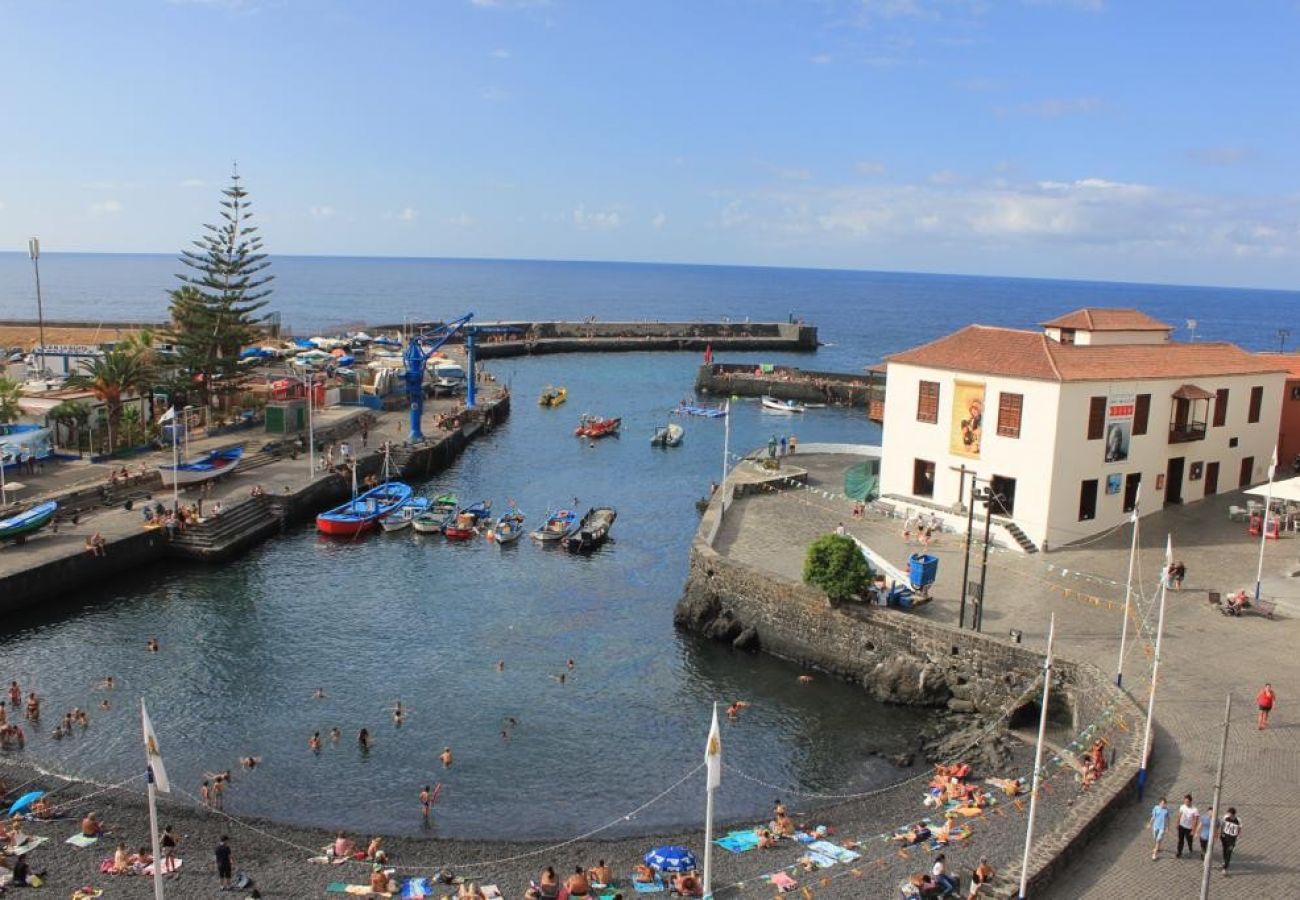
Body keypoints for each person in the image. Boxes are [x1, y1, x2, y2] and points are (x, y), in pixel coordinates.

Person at [1176, 794, 1199, 858]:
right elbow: (1179, 815)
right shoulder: (1182, 807)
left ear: (1190, 801)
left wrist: (1193, 830)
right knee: (1180, 840)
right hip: (1181, 826)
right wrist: (1177, 823)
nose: (1186, 803)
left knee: (1189, 840)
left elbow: (1196, 820)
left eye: (1187, 801)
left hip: (1189, 828)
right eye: (1185, 801)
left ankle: (1190, 847)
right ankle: (1179, 852)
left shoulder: (1195, 810)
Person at [1220, 807, 1241, 874]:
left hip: (1232, 838)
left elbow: (1239, 828)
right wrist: (1221, 833)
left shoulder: (1238, 820)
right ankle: (1224, 860)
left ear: (1233, 814)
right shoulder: (1226, 817)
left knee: (1229, 852)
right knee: (1224, 849)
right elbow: (1223, 825)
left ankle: (1225, 867)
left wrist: (1238, 836)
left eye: (1229, 813)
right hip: (1225, 836)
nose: (1228, 814)